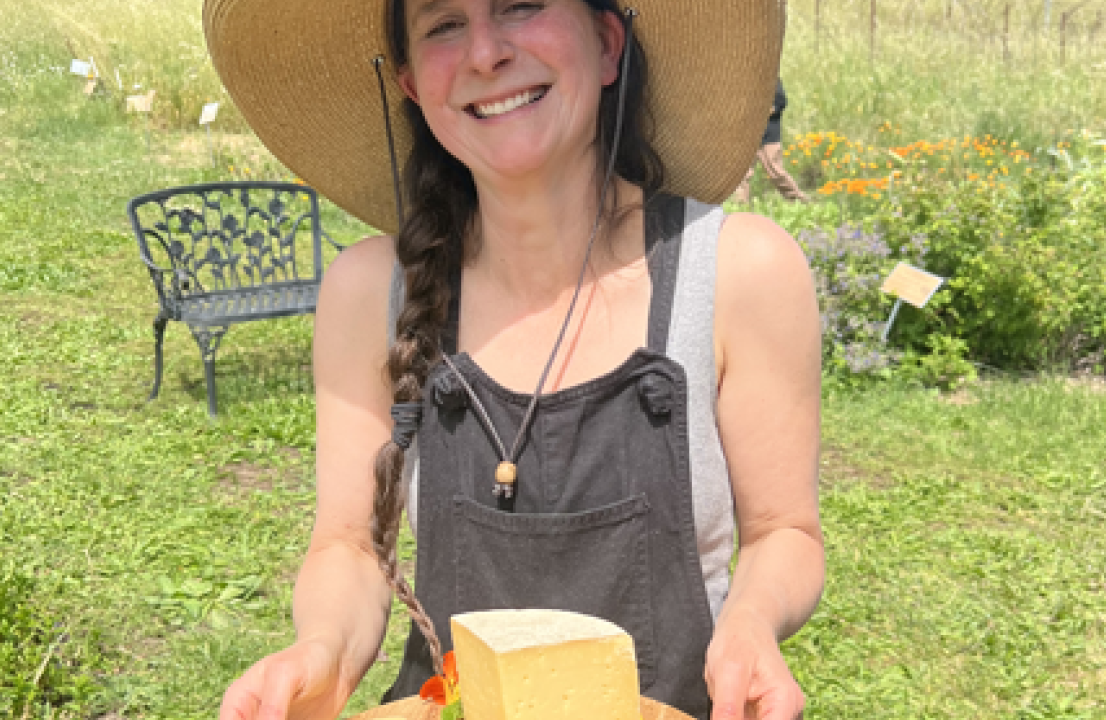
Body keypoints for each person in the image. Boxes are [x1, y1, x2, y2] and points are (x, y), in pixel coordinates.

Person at [206, 1, 824, 719]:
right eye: (444, 24)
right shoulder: (369, 291)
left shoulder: (740, 272)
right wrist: (324, 650)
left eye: (521, 4)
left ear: (607, 44)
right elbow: (349, 547)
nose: (485, 53)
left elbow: (784, 533)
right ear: (411, 85)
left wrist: (751, 621)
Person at [732, 79, 810, 204]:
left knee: (776, 171)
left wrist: (762, 111)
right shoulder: (743, 79)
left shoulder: (771, 78)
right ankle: (740, 205)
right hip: (748, 134)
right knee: (741, 174)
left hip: (769, 135)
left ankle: (799, 200)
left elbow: (780, 102)